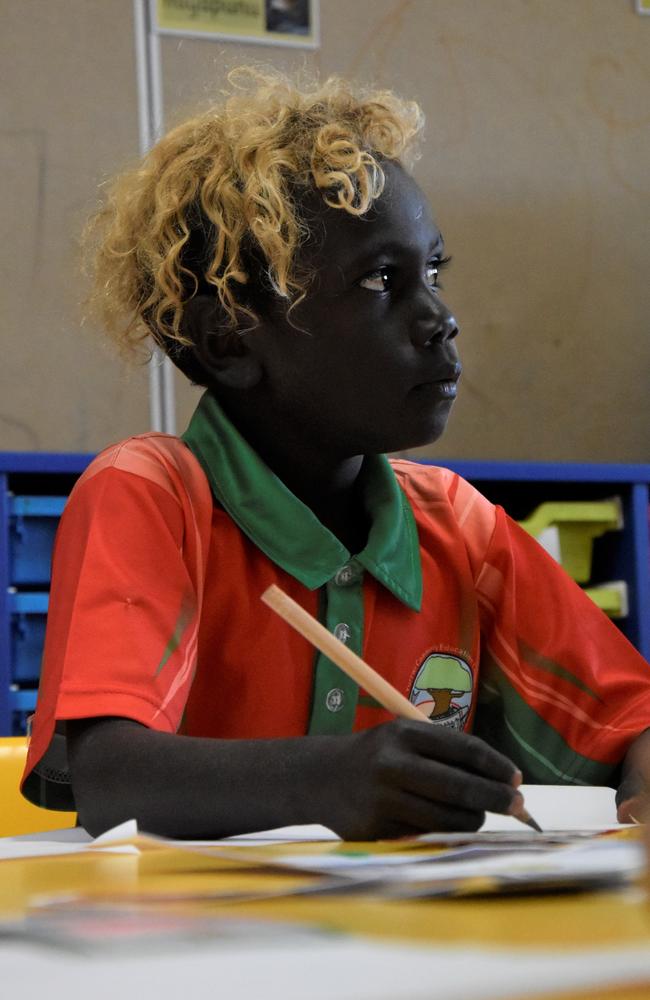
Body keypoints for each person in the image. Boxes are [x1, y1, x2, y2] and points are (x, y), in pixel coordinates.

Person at [21, 67, 650, 839]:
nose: (440, 320)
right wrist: (331, 779)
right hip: (188, 948)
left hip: (394, 946)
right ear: (228, 342)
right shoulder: (152, 494)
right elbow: (110, 775)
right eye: (383, 280)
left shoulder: (458, 526)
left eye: (433, 273)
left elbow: (633, 720)